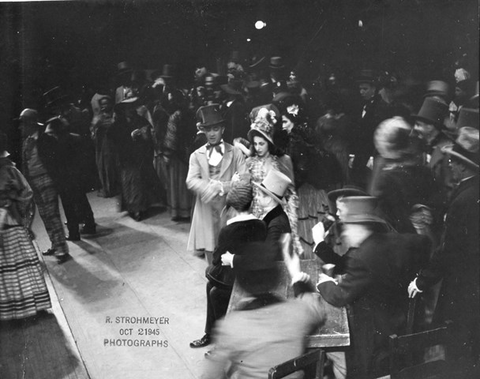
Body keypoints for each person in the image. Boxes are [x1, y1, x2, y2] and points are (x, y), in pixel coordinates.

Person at [314, 196, 431, 378]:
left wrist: (324, 283)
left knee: (340, 360)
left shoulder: (362, 257)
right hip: (404, 325)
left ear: (359, 227)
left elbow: (339, 296)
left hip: (378, 337)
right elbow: (425, 243)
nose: (344, 234)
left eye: (347, 227)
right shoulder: (392, 241)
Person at [408, 127, 479, 375]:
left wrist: (422, 280)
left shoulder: (464, 200)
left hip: (464, 287)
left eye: (454, 160)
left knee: (459, 348)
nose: (449, 164)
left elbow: (450, 250)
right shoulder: (473, 192)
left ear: (463, 166)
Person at [201, 241, 328, 379]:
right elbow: (316, 307)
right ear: (276, 278)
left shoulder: (231, 325)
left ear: (242, 282)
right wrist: (296, 274)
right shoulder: (299, 311)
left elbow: (211, 375)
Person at [190, 180, 266, 351]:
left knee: (215, 291)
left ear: (232, 207)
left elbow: (216, 258)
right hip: (252, 274)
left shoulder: (228, 230)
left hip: (240, 279)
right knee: (212, 286)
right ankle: (211, 333)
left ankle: (223, 344)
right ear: (251, 204)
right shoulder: (261, 225)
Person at [186, 104, 248, 262]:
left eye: (216, 129)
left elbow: (246, 180)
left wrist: (223, 186)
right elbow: (191, 180)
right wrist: (207, 187)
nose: (212, 133)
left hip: (229, 211)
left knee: (230, 255)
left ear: (223, 129)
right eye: (208, 130)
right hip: (206, 211)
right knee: (211, 258)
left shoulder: (235, 152)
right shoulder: (196, 155)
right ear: (204, 131)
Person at [0, 131, 52, 320]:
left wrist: (13, 202)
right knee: (8, 266)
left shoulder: (10, 171)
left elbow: (26, 193)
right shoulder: (10, 170)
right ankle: (17, 307)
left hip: (10, 220)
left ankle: (29, 306)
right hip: (6, 223)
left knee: (16, 263)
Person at [245, 106, 302, 256]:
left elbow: (291, 194)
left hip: (276, 214)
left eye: (261, 144)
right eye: (255, 144)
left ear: (269, 142)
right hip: (255, 214)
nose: (257, 148)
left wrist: (292, 225)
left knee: (276, 253)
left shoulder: (283, 161)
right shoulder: (249, 162)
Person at [18, 108, 70, 263]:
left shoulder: (45, 138)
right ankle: (55, 243)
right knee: (45, 214)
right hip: (33, 181)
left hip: (46, 179)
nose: (21, 127)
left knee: (52, 213)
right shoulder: (27, 141)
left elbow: (56, 160)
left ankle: (62, 248)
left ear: (31, 123)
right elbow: (25, 163)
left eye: (23, 124)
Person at [369, 117, 435, 233]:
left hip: (397, 236)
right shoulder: (424, 171)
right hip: (423, 232)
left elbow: (376, 203)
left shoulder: (386, 176)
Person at [41, 116, 97, 241]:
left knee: (69, 207)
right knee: (82, 201)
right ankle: (90, 225)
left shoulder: (57, 143)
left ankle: (74, 233)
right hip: (78, 177)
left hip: (65, 180)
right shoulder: (75, 138)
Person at [109, 97, 164, 221]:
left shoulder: (140, 120)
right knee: (130, 183)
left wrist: (145, 135)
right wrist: (130, 136)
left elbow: (149, 135)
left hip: (140, 157)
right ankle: (134, 209)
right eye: (127, 108)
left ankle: (141, 208)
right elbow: (114, 140)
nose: (130, 110)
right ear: (123, 110)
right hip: (127, 159)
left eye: (131, 107)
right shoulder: (118, 124)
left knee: (140, 184)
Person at [350, 70, 391, 189]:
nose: (361, 92)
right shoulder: (362, 105)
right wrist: (353, 154)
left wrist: (374, 156)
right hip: (361, 154)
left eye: (365, 89)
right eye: (360, 89)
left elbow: (381, 133)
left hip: (372, 156)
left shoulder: (381, 107)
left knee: (370, 185)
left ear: (374, 89)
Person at [90, 95, 118, 198]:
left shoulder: (115, 115)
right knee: (105, 166)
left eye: (106, 103)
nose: (104, 106)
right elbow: (92, 131)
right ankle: (108, 189)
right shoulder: (98, 117)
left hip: (114, 143)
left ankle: (116, 188)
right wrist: (96, 126)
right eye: (102, 104)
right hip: (103, 145)